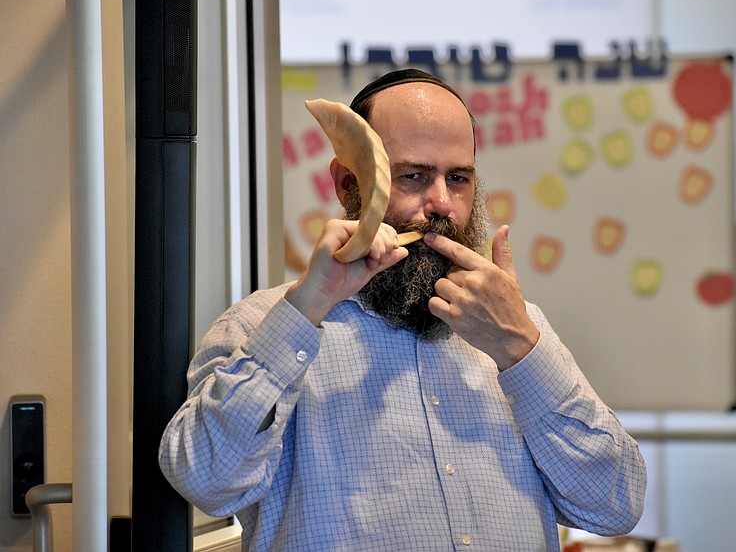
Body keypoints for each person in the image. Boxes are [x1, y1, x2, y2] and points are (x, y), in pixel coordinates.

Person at [159, 68, 646, 551]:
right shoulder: (262, 325)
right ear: (349, 185)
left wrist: (520, 346)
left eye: (458, 178)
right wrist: (310, 303)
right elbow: (206, 480)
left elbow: (615, 505)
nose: (440, 203)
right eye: (413, 176)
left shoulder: (518, 327)